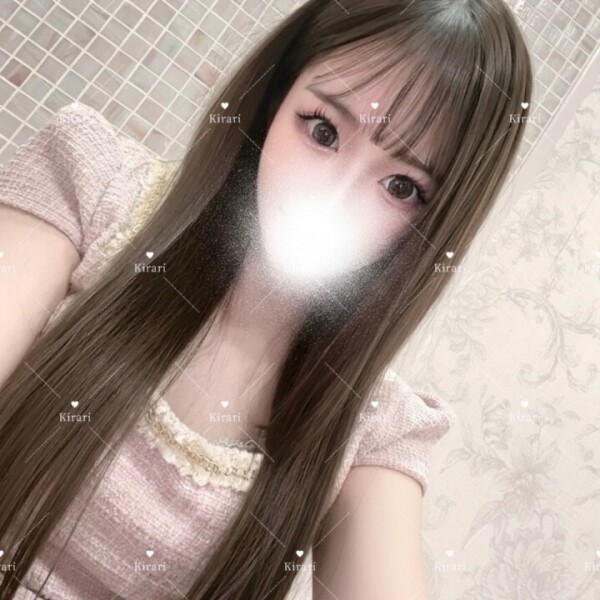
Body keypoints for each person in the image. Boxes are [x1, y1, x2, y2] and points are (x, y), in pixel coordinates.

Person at [0, 0, 532, 598]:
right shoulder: (94, 184)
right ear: (276, 95)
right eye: (323, 130)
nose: (332, 198)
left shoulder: (373, 430)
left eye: (401, 186)